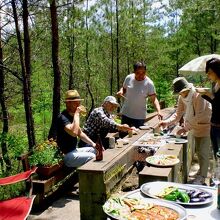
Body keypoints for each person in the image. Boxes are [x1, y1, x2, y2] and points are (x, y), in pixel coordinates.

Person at [159, 77, 212, 185]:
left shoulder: (198, 96)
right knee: (198, 150)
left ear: (185, 90)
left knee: (203, 152)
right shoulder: (181, 97)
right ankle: (201, 171)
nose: (179, 94)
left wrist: (185, 128)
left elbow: (199, 115)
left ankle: (203, 177)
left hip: (205, 125)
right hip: (193, 125)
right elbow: (177, 114)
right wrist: (166, 122)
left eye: (180, 92)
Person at [56, 90, 96, 168]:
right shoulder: (62, 117)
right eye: (75, 102)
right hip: (66, 155)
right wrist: (77, 114)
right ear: (68, 103)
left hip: (73, 150)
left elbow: (80, 133)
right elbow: (74, 133)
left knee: (94, 150)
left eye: (79, 102)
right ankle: (87, 178)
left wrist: (93, 144)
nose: (78, 105)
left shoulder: (72, 116)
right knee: (92, 156)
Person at [117, 61, 162, 128]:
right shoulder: (129, 78)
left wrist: (159, 111)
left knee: (137, 136)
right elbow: (124, 89)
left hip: (139, 117)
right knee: (123, 135)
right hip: (126, 114)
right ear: (134, 72)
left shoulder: (149, 83)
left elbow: (154, 99)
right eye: (138, 73)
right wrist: (120, 92)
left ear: (146, 72)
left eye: (143, 73)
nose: (141, 75)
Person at [200, 58, 220, 159]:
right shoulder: (216, 84)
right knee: (216, 155)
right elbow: (215, 103)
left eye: (209, 72)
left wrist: (209, 95)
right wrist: (204, 95)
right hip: (213, 125)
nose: (208, 75)